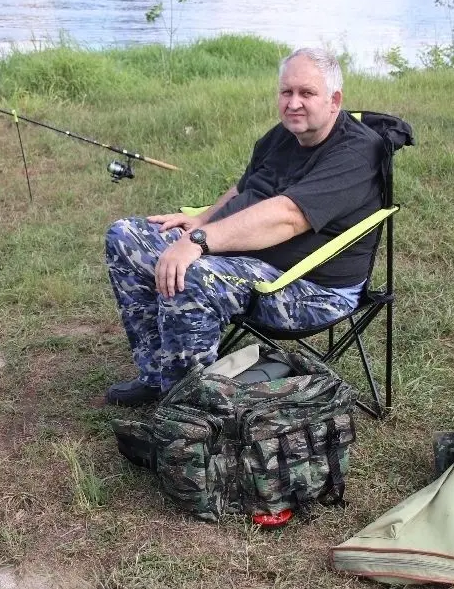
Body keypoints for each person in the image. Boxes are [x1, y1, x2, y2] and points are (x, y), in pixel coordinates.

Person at [103, 47, 385, 406]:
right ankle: (158, 375)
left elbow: (289, 216)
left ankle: (189, 413)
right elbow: (246, 189)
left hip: (310, 288)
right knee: (125, 237)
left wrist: (199, 241)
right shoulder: (282, 136)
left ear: (334, 100)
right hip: (251, 258)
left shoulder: (357, 153)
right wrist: (202, 219)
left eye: (306, 93)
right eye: (286, 92)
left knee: (193, 273)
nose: (293, 103)